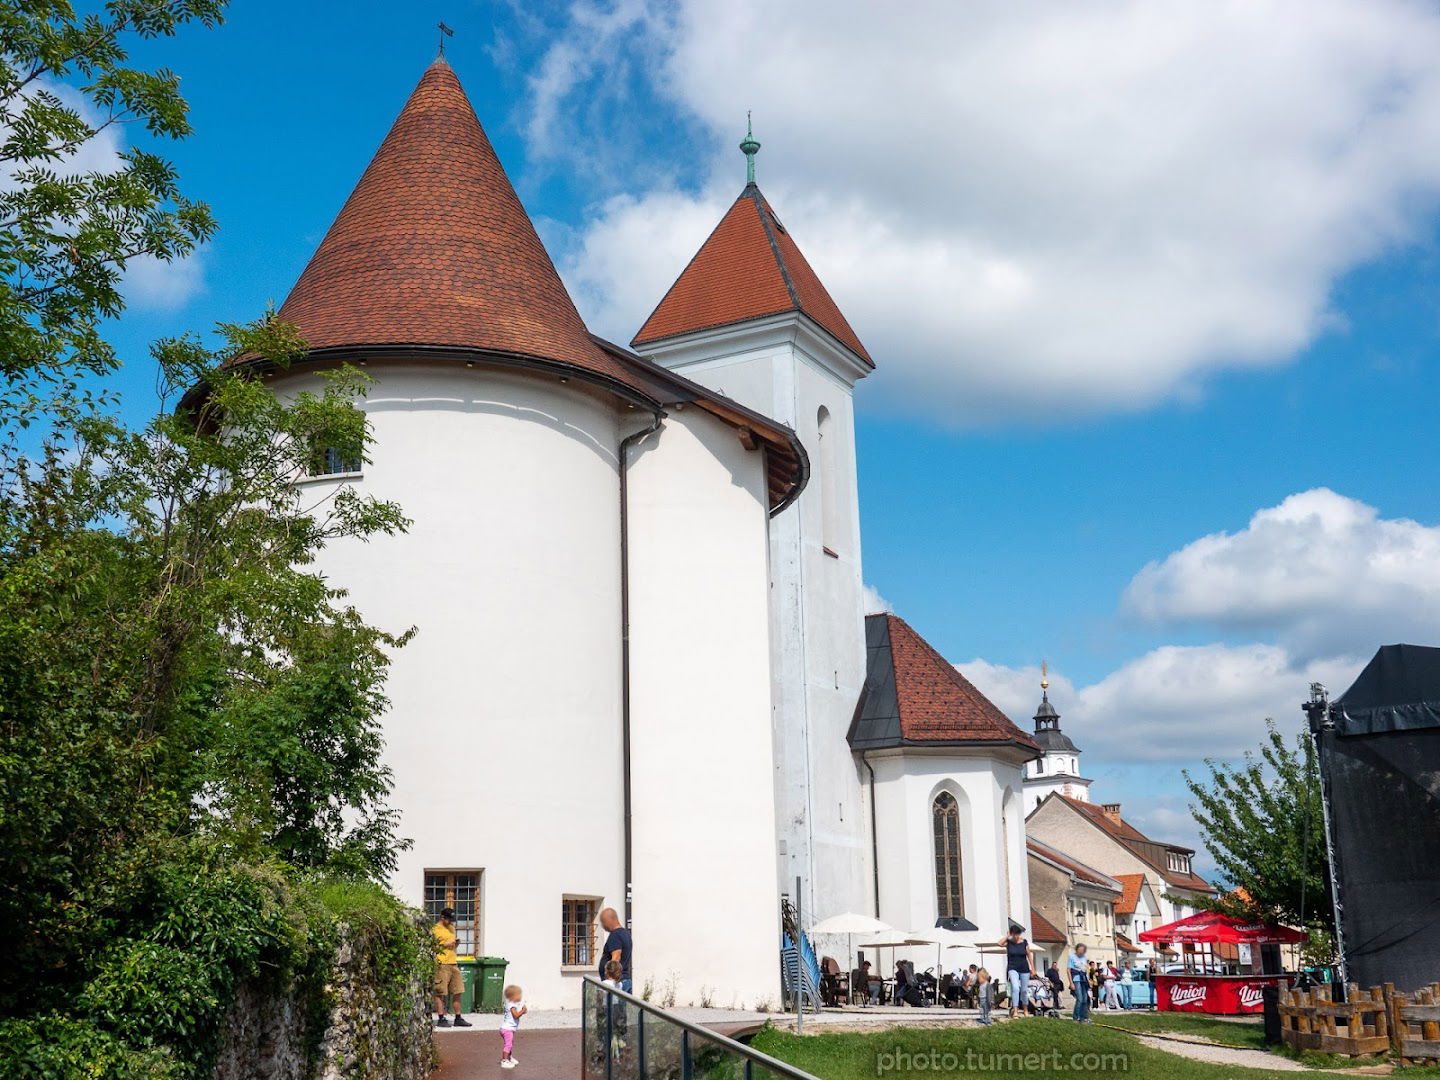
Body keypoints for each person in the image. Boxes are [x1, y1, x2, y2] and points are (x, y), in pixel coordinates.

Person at [432, 907, 471, 1028]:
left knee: (458, 990)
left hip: (453, 961)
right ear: (442, 918)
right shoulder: (435, 930)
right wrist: (445, 944)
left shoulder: (451, 928)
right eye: (449, 919)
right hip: (441, 962)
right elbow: (432, 946)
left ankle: (458, 1017)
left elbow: (451, 945)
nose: (451, 922)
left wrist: (456, 943)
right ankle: (441, 1017)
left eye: (452, 920)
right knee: (440, 991)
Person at [997, 925, 1035, 1019]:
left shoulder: (1024, 943)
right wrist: (1007, 936)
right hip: (1012, 967)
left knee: (1024, 990)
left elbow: (1029, 955)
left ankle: (1026, 1010)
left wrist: (1033, 968)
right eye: (1014, 934)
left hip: (1024, 968)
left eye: (1017, 934)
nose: (1016, 937)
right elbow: (999, 943)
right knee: (1015, 988)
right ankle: (1016, 1011)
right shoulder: (1009, 942)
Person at [597, 908, 633, 992]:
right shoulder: (625, 933)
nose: (603, 925)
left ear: (611, 919)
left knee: (614, 1005)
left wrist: (610, 982)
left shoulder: (615, 935)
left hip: (617, 985)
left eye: (603, 922)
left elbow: (616, 958)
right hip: (624, 981)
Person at [499, 984, 526, 1069]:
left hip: (507, 1029)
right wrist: (523, 1011)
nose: (520, 996)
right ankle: (504, 1061)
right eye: (519, 995)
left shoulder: (511, 1004)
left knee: (510, 1044)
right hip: (507, 1029)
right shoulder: (512, 1005)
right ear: (513, 996)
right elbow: (516, 1016)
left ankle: (509, 1058)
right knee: (508, 1045)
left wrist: (521, 1010)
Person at [1068, 944, 1090, 1023]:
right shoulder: (1071, 957)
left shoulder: (1084, 958)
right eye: (1080, 950)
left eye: (1083, 950)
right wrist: (1071, 983)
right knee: (1079, 998)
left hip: (1083, 979)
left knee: (1085, 999)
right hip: (1076, 979)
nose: (1081, 951)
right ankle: (1076, 1017)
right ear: (1076, 949)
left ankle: (1083, 1017)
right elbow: (1068, 971)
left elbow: (1085, 969)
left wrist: (1088, 980)